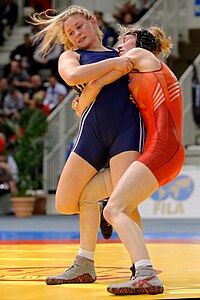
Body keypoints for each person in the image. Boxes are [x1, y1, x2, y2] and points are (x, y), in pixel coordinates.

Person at [29, 3, 145, 285]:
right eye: (70, 32)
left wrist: (113, 71)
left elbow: (147, 72)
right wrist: (116, 65)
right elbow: (73, 76)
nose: (76, 34)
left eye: (79, 26)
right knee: (65, 202)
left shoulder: (123, 52)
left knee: (125, 203)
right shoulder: (72, 56)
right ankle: (108, 195)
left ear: (93, 22)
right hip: (92, 133)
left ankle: (136, 266)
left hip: (125, 130)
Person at [70, 25, 185, 295]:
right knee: (89, 196)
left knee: (114, 210)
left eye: (126, 39)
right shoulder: (137, 74)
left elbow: (103, 77)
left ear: (141, 41)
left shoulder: (145, 58)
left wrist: (85, 91)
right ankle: (85, 262)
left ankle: (146, 273)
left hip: (163, 151)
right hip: (157, 151)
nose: (120, 45)